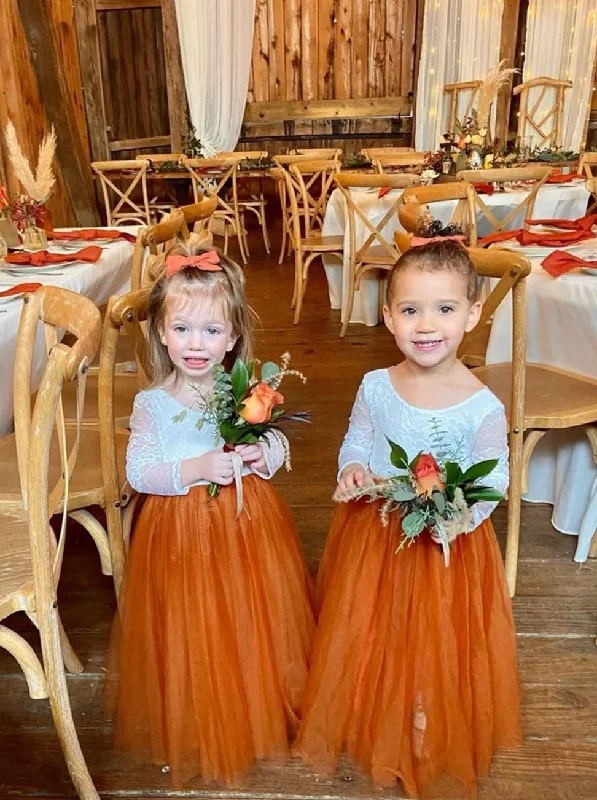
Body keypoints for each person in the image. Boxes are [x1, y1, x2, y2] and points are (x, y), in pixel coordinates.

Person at [294, 240, 522, 797]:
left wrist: (461, 519)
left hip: (446, 545)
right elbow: (359, 440)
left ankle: (422, 710)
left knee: (432, 635)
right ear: (388, 315)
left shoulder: (482, 405)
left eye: (445, 309)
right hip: (376, 534)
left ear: (472, 313)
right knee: (371, 623)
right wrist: (352, 469)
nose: (427, 325)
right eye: (411, 309)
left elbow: (494, 483)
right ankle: (370, 697)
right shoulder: (376, 385)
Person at [110, 244, 315, 786]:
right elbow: (140, 472)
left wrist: (260, 453)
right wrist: (198, 466)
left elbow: (274, 449)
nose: (196, 344)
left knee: (251, 613)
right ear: (159, 331)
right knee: (192, 621)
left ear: (232, 337)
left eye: (210, 331)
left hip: (249, 526)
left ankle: (256, 694)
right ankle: (202, 706)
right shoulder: (153, 403)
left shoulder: (245, 391)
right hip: (179, 534)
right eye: (182, 330)